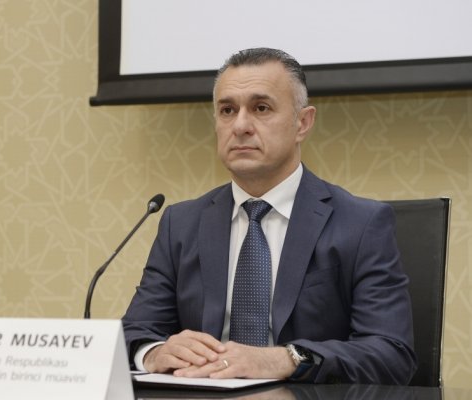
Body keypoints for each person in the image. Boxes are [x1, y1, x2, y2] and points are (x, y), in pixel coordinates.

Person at [122, 48, 417, 384]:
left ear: (302, 123)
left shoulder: (361, 223)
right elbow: (134, 331)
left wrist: (287, 359)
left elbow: (391, 353)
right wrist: (154, 352)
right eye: (227, 110)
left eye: (261, 108)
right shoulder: (180, 223)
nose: (240, 126)